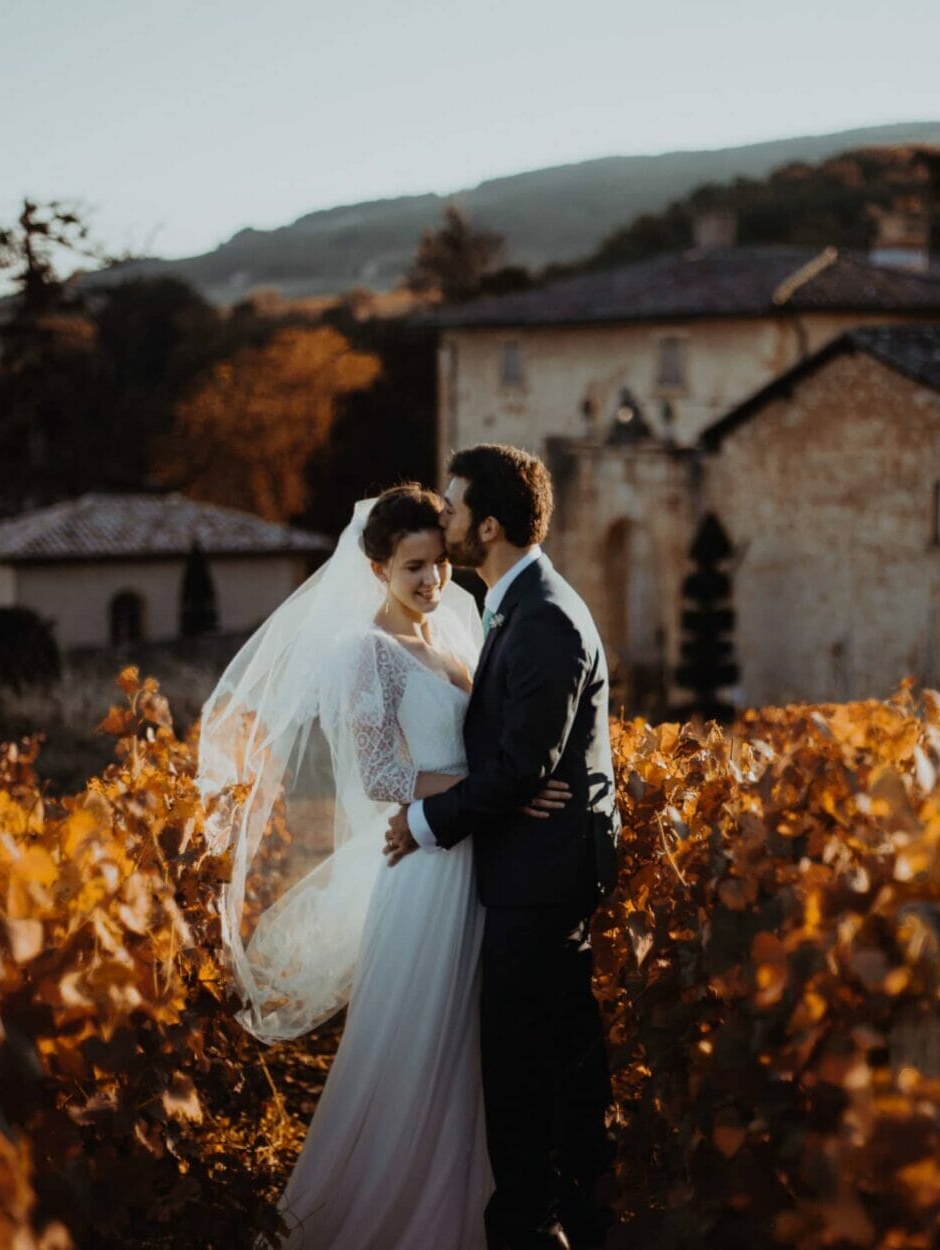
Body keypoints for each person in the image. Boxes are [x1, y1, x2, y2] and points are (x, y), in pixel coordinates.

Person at [196, 483, 572, 1250]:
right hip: (427, 867)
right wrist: (499, 791)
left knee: (473, 1043)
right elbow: (383, 777)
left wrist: (502, 791)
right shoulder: (366, 653)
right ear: (377, 571)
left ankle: (477, 1204)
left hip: (475, 858)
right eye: (413, 569)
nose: (432, 582)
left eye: (438, 565)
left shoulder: (455, 639)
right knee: (419, 1036)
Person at [384, 444, 619, 1250]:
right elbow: (519, 759)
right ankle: (555, 1209)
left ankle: (532, 1222)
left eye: (452, 508)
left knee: (528, 1065)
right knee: (545, 1054)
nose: (441, 518)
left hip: (542, 875)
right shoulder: (512, 605)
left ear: (488, 524)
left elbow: (526, 764)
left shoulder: (544, 616)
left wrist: (425, 823)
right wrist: (518, 777)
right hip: (530, 862)